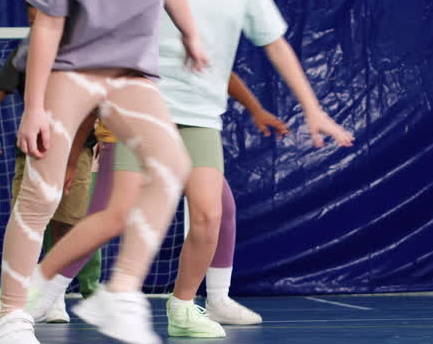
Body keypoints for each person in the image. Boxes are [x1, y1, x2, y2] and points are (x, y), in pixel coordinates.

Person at [28, 0, 354, 339]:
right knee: (110, 215)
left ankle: (183, 307)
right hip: (143, 108)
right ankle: (41, 291)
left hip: (201, 120)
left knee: (208, 214)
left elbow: (278, 47)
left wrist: (313, 108)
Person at [0, 0, 207, 344]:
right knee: (42, 192)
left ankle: (121, 291)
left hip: (131, 72)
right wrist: (35, 106)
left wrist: (192, 32)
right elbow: (47, 23)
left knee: (172, 165)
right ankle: (12, 319)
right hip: (72, 70)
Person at [30, 72, 287, 327]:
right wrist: (75, 156)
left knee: (221, 211)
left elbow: (221, 69)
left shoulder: (200, 45)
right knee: (104, 217)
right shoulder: (139, 44)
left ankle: (218, 299)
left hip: (188, 128)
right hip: (135, 129)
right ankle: (43, 294)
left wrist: (255, 108)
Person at [0, 5, 102, 323]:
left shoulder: (84, 55)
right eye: (33, 17)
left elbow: (90, 113)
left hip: (78, 150)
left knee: (67, 224)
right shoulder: (25, 54)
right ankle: (18, 303)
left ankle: (54, 296)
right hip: (33, 150)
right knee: (28, 223)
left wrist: (73, 162)